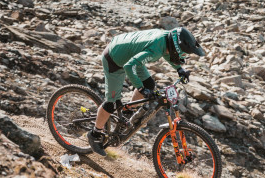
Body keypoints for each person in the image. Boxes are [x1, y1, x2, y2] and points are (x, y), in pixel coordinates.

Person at [87, 27, 206, 156]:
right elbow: (128, 66)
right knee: (112, 104)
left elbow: (166, 52)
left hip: (129, 54)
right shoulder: (154, 50)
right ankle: (95, 134)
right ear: (177, 48)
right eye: (183, 53)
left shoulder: (167, 38)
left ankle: (127, 112)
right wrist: (140, 88)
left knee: (149, 84)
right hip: (114, 60)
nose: (184, 56)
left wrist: (179, 69)